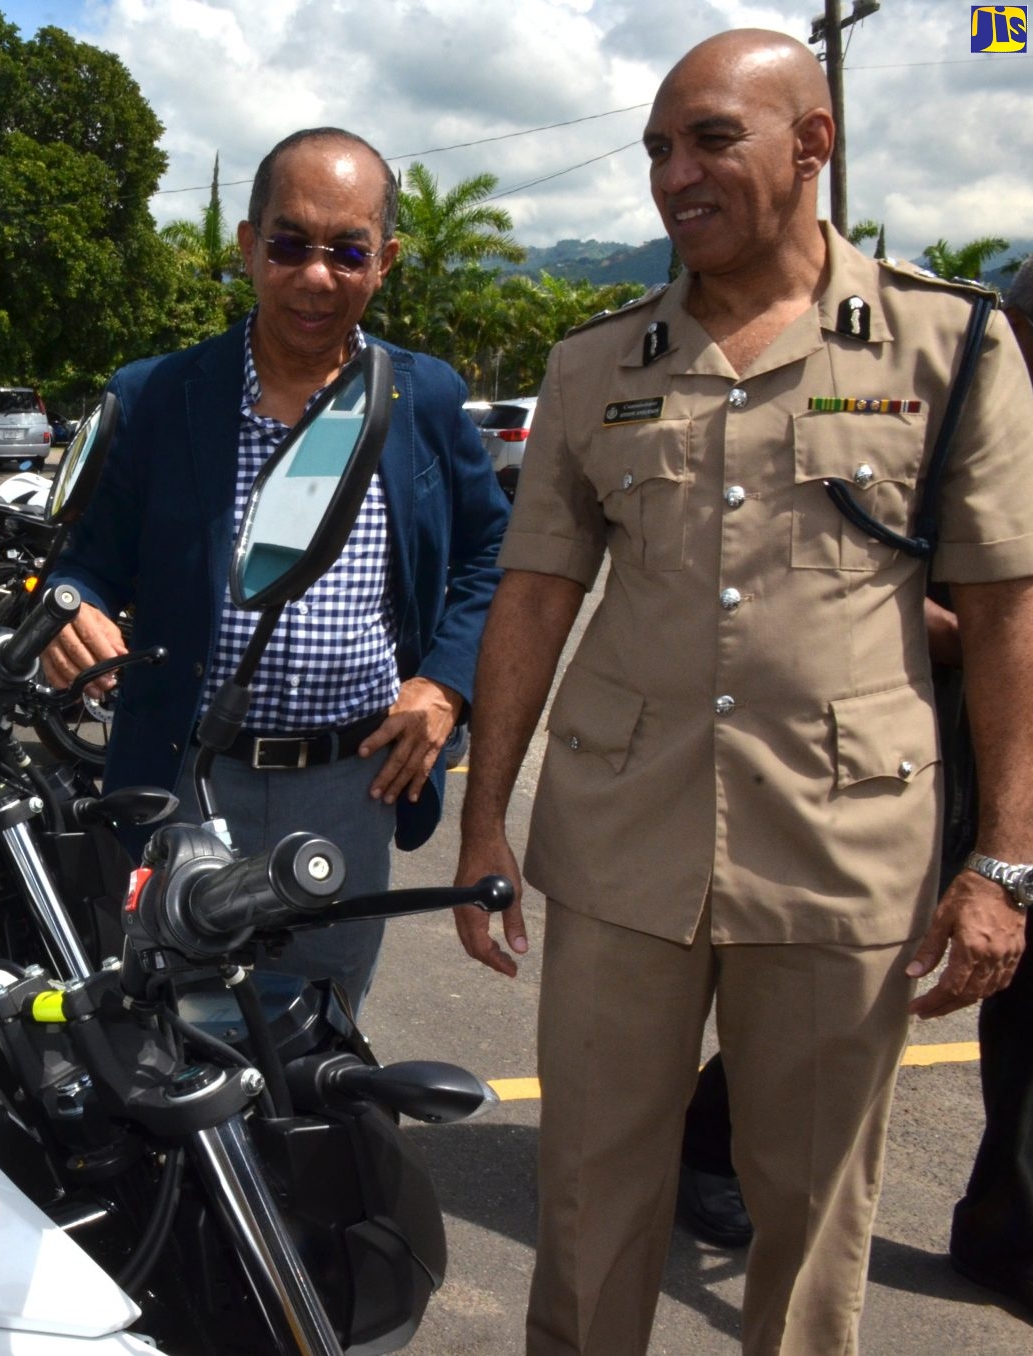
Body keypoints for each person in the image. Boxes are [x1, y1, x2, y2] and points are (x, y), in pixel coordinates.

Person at [451, 30, 1033, 1354]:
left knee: (813, 1208)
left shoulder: (950, 345)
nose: (674, 172)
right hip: (619, 843)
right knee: (592, 1194)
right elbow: (534, 596)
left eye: (711, 137)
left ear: (812, 143)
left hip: (842, 853)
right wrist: (485, 825)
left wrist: (1005, 862)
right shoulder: (595, 365)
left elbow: (1008, 609)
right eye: (660, 146)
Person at [42, 127, 508, 1013]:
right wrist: (71, 610)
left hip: (351, 782)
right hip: (185, 775)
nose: (316, 274)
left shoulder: (425, 398)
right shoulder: (158, 395)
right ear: (249, 246)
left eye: (348, 251)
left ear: (386, 262)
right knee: (177, 1025)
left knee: (322, 1033)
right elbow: (85, 565)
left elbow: (494, 553)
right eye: (290, 244)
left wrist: (445, 685)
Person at [950, 254, 1033, 1311]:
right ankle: (715, 1135)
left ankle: (1002, 1230)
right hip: (945, 743)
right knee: (866, 975)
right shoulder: (958, 424)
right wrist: (994, 634)